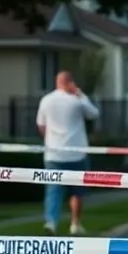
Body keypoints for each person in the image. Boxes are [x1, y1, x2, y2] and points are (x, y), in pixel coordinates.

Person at [36, 71, 100, 234]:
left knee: (53, 190)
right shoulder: (76, 100)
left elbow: (41, 125)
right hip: (76, 153)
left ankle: (51, 222)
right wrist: (80, 94)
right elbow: (94, 113)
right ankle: (75, 223)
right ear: (71, 82)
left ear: (57, 82)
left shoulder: (46, 100)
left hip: (53, 154)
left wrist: (50, 139)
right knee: (77, 191)